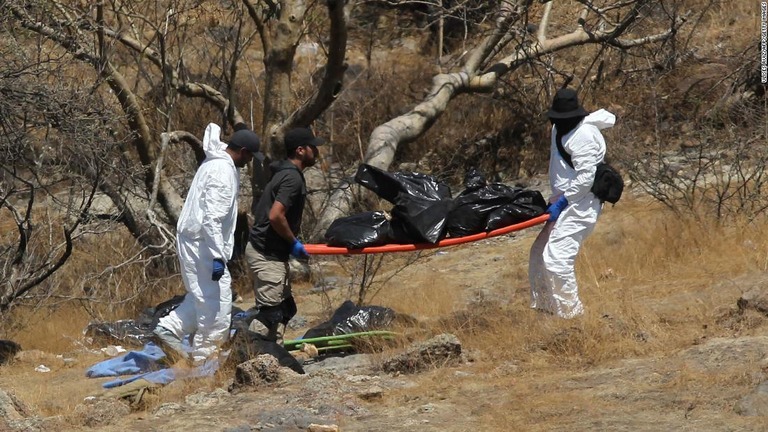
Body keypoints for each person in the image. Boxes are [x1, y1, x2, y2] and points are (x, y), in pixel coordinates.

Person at [153, 122, 263, 364]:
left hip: (197, 240)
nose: (249, 162)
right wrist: (216, 256)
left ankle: (169, 330)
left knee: (203, 295)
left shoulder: (216, 162)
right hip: (203, 243)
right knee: (218, 302)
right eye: (249, 156)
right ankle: (205, 360)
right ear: (243, 151)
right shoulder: (222, 172)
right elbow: (213, 218)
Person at [528, 88, 616, 319]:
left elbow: (585, 177)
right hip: (563, 202)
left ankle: (571, 318)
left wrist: (564, 201)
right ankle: (548, 311)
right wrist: (557, 201)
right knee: (539, 253)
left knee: (557, 258)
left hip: (582, 204)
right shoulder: (559, 129)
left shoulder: (584, 135)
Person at [245, 127, 324, 345]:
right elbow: (275, 215)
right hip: (265, 255)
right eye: (312, 147)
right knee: (269, 315)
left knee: (285, 309)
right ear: (300, 150)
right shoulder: (292, 178)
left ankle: (275, 359)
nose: (316, 152)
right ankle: (244, 354)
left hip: (272, 254)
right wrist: (293, 243)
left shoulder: (287, 173)